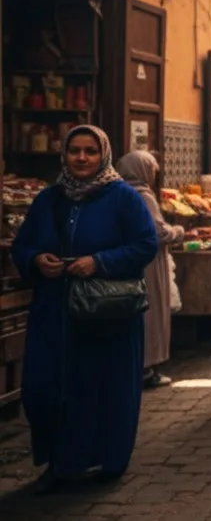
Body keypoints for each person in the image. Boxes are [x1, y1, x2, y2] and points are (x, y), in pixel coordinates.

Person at [13, 126, 158, 492]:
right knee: (45, 385)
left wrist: (99, 262)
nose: (81, 158)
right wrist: (35, 260)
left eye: (90, 151)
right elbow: (22, 245)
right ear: (64, 154)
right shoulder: (48, 199)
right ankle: (59, 461)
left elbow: (145, 245)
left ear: (103, 155)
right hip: (55, 311)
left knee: (105, 386)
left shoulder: (124, 198)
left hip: (106, 312)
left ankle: (109, 460)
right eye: (74, 151)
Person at [116, 150, 184, 389]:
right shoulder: (144, 196)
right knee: (150, 313)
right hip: (148, 264)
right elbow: (159, 233)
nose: (155, 176)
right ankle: (146, 368)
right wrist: (179, 232)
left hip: (129, 262)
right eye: (153, 170)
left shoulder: (117, 192)